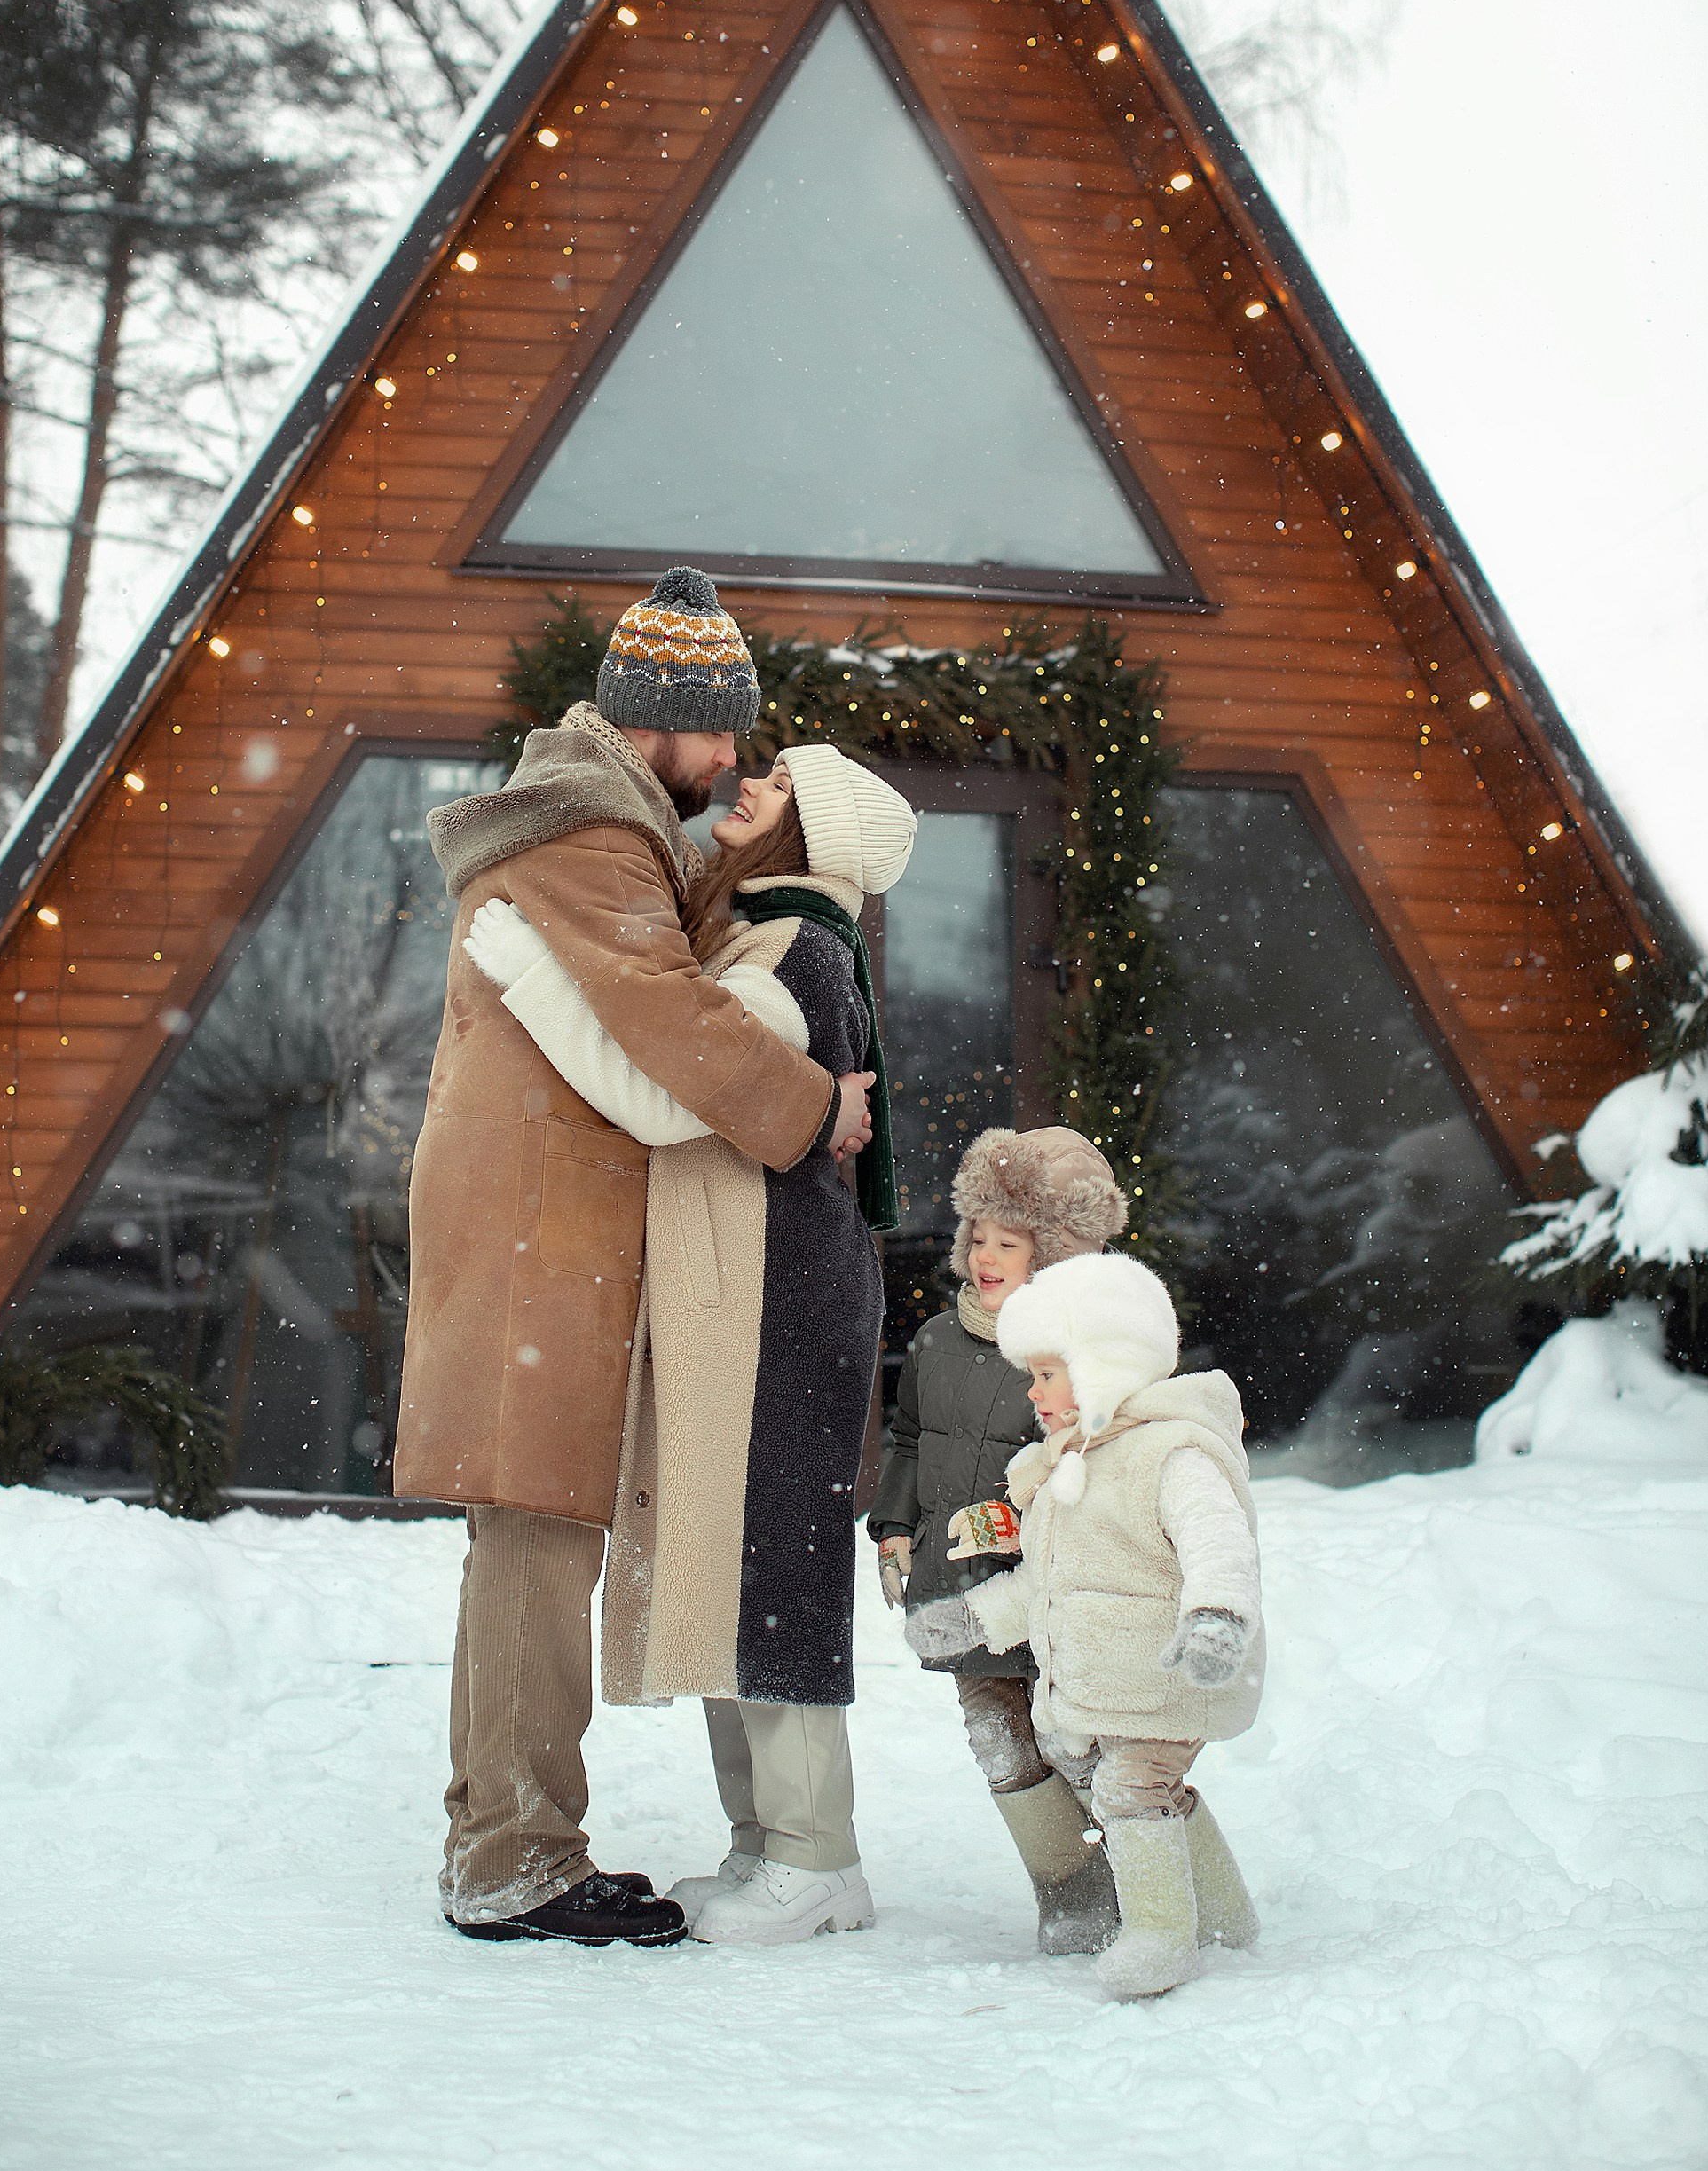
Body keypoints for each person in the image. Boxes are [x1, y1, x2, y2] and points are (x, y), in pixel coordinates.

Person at [393, 569, 876, 1948]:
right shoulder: (583, 842)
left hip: (544, 1237)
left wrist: (735, 856)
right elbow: (666, 1019)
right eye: (720, 733)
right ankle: (513, 1861)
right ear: (659, 717)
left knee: (532, 1540)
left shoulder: (598, 830)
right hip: (539, 1239)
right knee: (534, 1542)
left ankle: (508, 1843)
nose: (731, 762)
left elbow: (645, 959)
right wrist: (811, 1109)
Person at [466, 743, 917, 1946]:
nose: (750, 780)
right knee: (735, 1562)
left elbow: (661, 1095)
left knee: (772, 1569)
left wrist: (525, 965)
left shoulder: (794, 954)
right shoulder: (762, 941)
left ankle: (817, 1858)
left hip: (783, 1301)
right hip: (758, 1294)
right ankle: (766, 1846)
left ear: (811, 834)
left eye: (778, 781)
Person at [906, 1251, 1265, 2001]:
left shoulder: (1172, 1453)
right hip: (1110, 1682)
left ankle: (1160, 1939)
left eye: (1045, 1374)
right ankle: (1225, 1919)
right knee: (1144, 1790)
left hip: (1169, 1670)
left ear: (1100, 1368)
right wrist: (973, 1619)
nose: (1031, 1391)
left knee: (1134, 1788)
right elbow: (1046, 1583)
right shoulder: (1069, 1463)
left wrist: (1217, 1617)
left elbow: (1217, 1541)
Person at [868, 1126, 1127, 1953]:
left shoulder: (1077, 1357)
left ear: (1050, 1256)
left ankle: (1161, 1878)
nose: (985, 1255)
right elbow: (909, 1439)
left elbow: (1097, 1469)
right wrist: (894, 1528)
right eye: (978, 1236)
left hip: (1050, 1593)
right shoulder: (939, 1343)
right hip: (960, 1587)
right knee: (999, 1742)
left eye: (1008, 1242)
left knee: (1080, 1745)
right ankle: (1071, 1895)